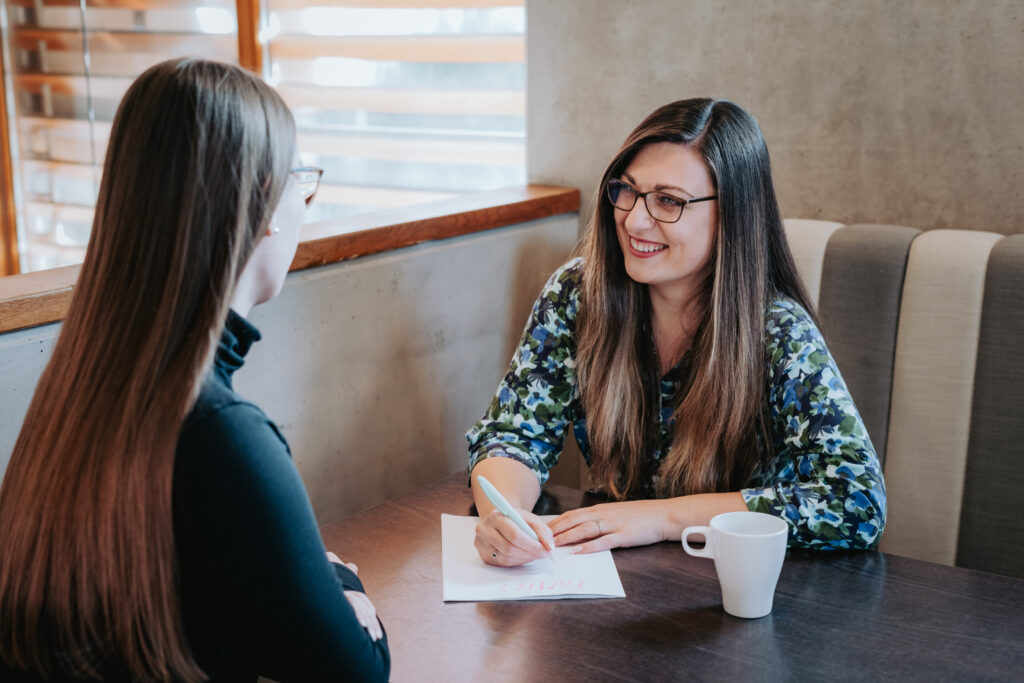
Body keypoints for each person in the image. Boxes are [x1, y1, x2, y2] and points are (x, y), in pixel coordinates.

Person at [0, 58, 389, 682]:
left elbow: (186, 616)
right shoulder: (218, 432)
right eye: (302, 182)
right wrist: (340, 581)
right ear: (266, 200)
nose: (306, 204)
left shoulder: (79, 391)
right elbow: (358, 671)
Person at [467, 98, 886, 567]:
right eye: (627, 190)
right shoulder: (577, 295)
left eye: (668, 201)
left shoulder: (778, 332)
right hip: (612, 576)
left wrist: (660, 519)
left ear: (733, 214)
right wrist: (503, 515)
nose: (634, 219)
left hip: (737, 586)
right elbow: (513, 435)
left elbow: (857, 500)